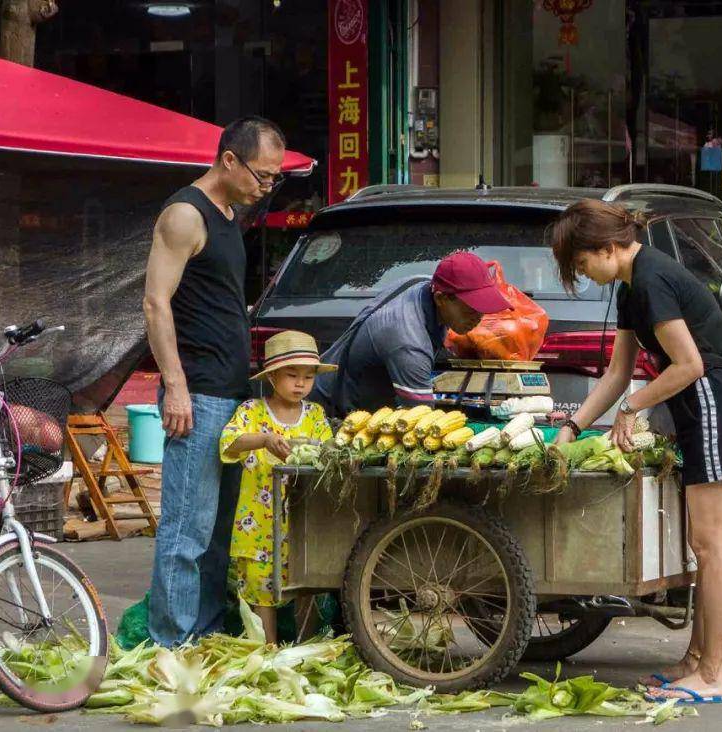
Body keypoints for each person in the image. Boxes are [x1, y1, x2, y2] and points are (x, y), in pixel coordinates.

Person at [546, 199, 722, 706]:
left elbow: (689, 365)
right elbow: (617, 374)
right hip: (699, 411)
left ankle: (714, 674)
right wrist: (572, 426)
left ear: (607, 247)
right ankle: (695, 662)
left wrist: (632, 409)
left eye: (581, 264)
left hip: (712, 405)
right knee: (703, 548)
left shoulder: (651, 279)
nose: (584, 274)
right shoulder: (631, 288)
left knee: (713, 549)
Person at [142, 116, 287, 647]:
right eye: (263, 175)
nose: (266, 186)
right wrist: (174, 386)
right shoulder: (185, 214)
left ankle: (205, 635)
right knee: (187, 530)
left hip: (232, 391)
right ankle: (170, 644)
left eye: (274, 178)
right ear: (229, 159)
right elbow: (156, 303)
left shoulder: (228, 214)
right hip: (196, 393)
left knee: (222, 531)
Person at [219, 331, 334, 643]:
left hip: (302, 519)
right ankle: (266, 647)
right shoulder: (252, 412)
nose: (300, 384)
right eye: (292, 375)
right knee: (260, 584)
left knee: (306, 580)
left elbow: (329, 452)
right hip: (258, 519)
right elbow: (229, 443)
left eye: (308, 377)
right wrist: (264, 439)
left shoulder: (316, 416)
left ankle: (305, 645)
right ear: (271, 377)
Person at [310, 251, 511, 416]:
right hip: (327, 411)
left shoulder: (422, 284)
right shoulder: (407, 340)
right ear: (441, 299)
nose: (478, 317)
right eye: (470, 308)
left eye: (482, 307)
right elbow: (421, 418)